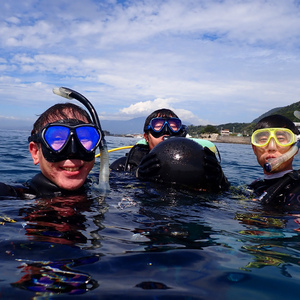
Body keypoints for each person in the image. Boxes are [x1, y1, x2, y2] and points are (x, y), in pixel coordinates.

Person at [110, 108, 229, 192]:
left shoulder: (200, 164)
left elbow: (229, 199)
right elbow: (105, 187)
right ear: (146, 137)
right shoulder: (124, 165)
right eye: (158, 126)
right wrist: (136, 175)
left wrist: (220, 181)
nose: (166, 131)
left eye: (173, 126)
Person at [0, 102, 102, 198]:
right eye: (57, 139)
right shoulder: (13, 196)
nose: (73, 151)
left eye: (83, 138)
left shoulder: (107, 183)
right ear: (35, 152)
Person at [248, 114, 300, 208]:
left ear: (295, 148)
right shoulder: (255, 186)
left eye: (280, 138)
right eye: (263, 139)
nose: (272, 147)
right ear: (254, 149)